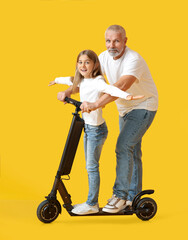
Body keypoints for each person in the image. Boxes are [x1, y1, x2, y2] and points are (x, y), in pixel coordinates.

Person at [50, 49, 144, 215]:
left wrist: (127, 96)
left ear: (95, 65)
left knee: (91, 167)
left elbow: (111, 90)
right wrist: (57, 82)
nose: (83, 65)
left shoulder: (98, 80)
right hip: (87, 128)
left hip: (96, 131)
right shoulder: (83, 80)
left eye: (87, 62)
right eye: (80, 62)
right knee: (89, 167)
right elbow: (71, 81)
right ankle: (91, 201)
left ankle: (92, 204)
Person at [80, 25, 158, 213]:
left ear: (125, 41)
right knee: (132, 151)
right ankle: (133, 197)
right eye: (108, 40)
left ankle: (120, 196)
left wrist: (96, 104)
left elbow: (121, 86)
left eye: (116, 40)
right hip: (124, 109)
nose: (112, 45)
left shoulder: (134, 59)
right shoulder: (103, 57)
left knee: (123, 147)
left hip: (143, 106)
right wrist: (68, 89)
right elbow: (88, 78)